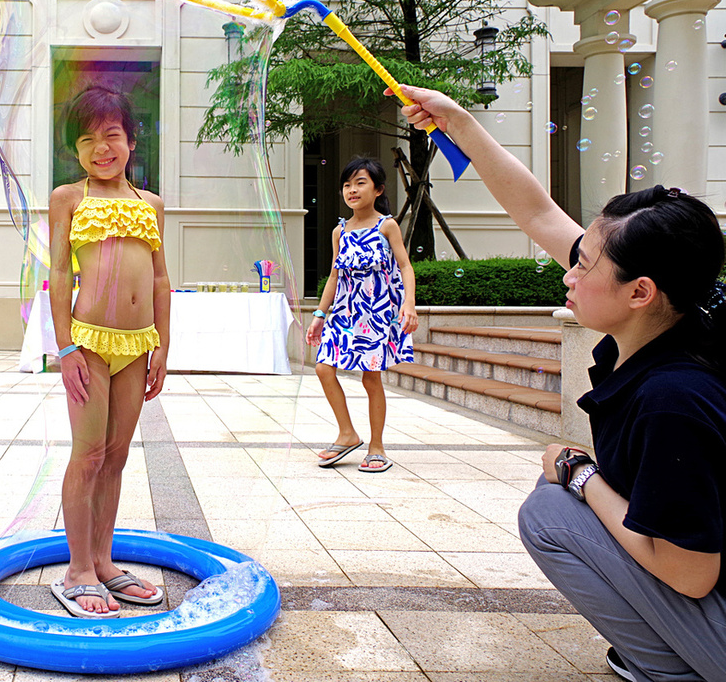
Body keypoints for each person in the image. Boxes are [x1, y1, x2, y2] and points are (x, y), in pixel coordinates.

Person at [395, 84, 726, 682]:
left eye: (585, 262)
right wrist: (459, 123)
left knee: (552, 512)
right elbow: (538, 212)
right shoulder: (675, 322)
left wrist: (582, 476)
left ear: (640, 292)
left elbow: (692, 574)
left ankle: (674, 670)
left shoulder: (674, 398)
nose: (568, 270)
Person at [46, 85, 170, 618]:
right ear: (75, 150)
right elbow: (55, 273)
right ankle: (76, 571)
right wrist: (66, 345)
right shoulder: (68, 198)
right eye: (87, 139)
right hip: (90, 343)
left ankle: (102, 560)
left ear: (131, 141)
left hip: (137, 346)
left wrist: (163, 343)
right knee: (89, 454)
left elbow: (161, 280)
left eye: (112, 135)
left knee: (118, 457)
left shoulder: (152, 205)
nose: (102, 147)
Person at [307, 157, 417, 473]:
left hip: (377, 311)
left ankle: (377, 447)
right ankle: (347, 433)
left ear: (378, 189)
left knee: (371, 378)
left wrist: (409, 304)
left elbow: (405, 266)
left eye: (360, 183)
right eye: (347, 184)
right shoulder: (339, 231)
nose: (352, 190)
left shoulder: (387, 225)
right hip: (344, 311)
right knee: (324, 368)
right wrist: (319, 314)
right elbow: (333, 275)